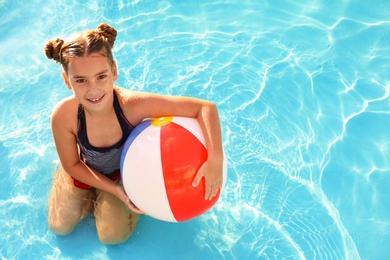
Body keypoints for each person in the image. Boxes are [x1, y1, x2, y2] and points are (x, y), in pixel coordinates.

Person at [44, 23, 224, 245]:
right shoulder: (64, 115)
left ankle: (104, 203)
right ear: (66, 80)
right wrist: (110, 189)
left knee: (111, 237)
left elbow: (205, 108)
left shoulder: (132, 106)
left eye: (101, 76)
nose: (93, 89)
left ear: (114, 71)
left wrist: (215, 159)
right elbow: (72, 165)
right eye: (80, 80)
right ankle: (93, 199)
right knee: (59, 227)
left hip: (124, 178)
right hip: (84, 170)